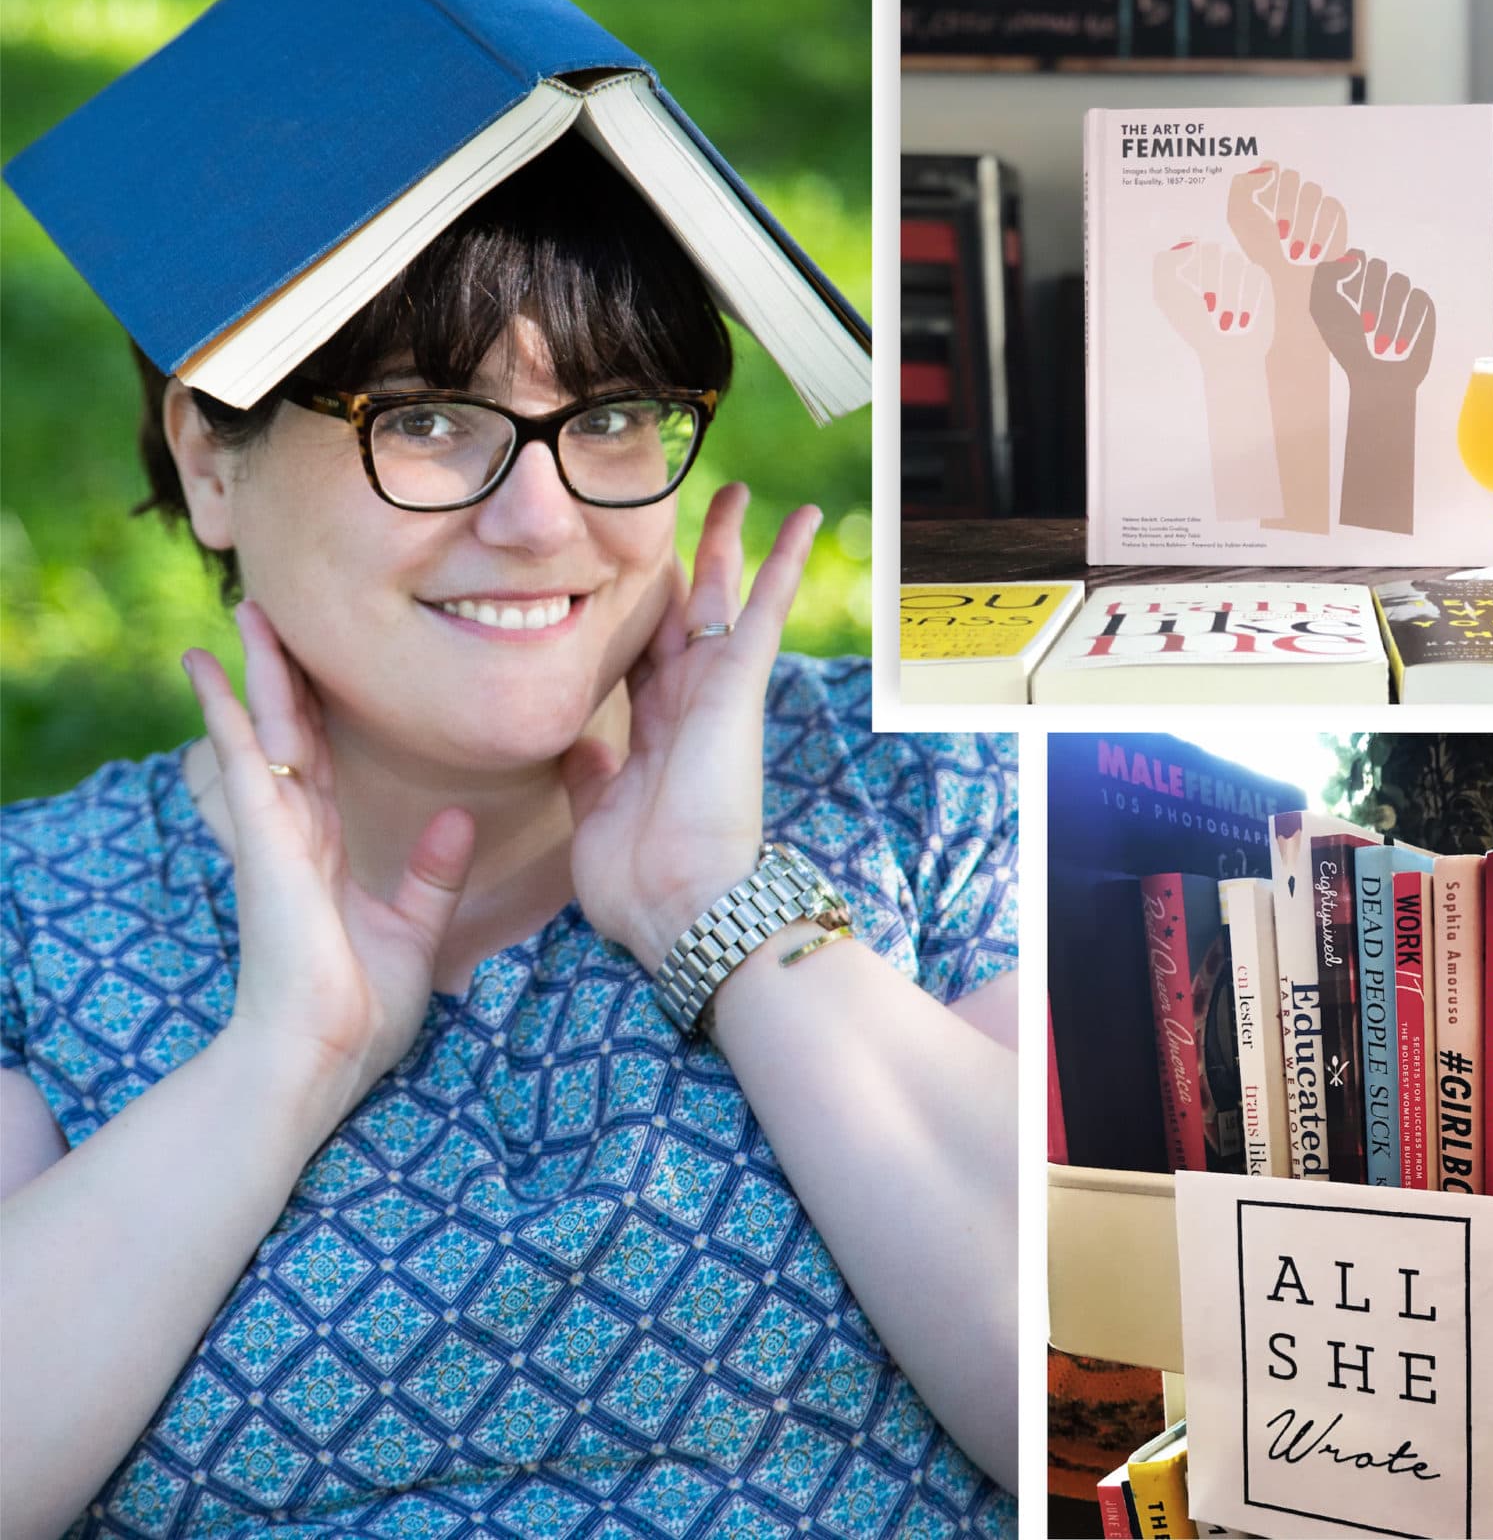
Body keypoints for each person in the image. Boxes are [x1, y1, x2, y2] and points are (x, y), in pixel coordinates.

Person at [0, 143, 1017, 1535]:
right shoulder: (42, 916)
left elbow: (1112, 1398)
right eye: (424, 419)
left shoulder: (910, 786)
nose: (541, 519)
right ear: (208, 458)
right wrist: (283, 1062)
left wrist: (723, 909)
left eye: (612, 415)